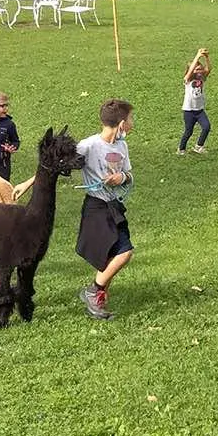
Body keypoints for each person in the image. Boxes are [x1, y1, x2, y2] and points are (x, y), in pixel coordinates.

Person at [76, 99, 136, 320]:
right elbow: (58, 163)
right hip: (96, 207)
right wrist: (29, 183)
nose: (132, 123)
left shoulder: (122, 146)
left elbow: (129, 174)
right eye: (130, 119)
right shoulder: (89, 146)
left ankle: (98, 302)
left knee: (111, 255)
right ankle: (94, 290)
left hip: (114, 207)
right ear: (121, 123)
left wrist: (122, 177)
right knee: (124, 252)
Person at [178, 47, 212, 155]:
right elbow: (190, 71)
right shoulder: (188, 80)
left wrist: (206, 57)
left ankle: (198, 146)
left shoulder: (201, 78)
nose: (199, 71)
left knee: (206, 127)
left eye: (200, 69)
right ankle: (181, 149)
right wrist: (197, 56)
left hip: (199, 110)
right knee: (189, 131)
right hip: (189, 111)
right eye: (196, 70)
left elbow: (209, 69)